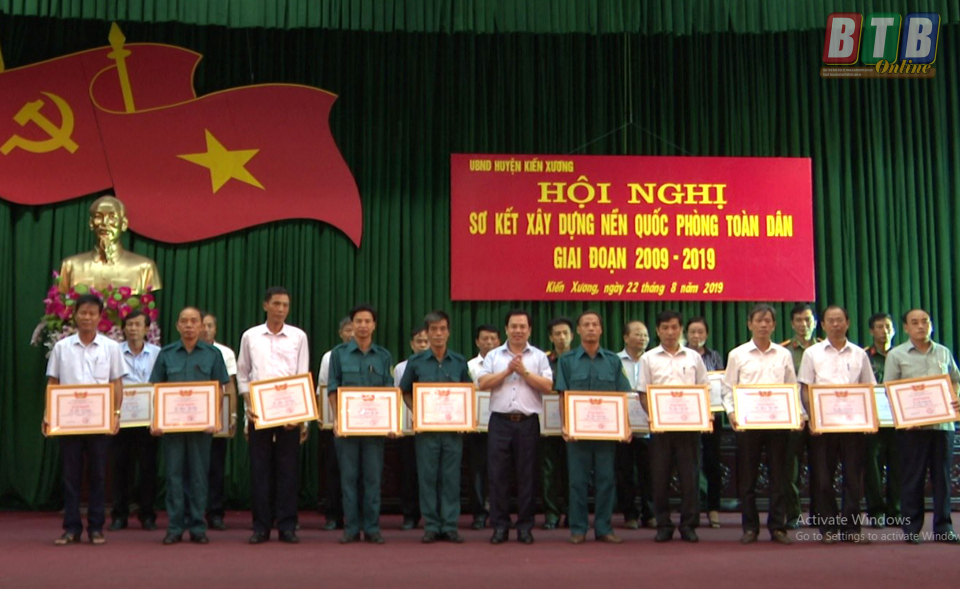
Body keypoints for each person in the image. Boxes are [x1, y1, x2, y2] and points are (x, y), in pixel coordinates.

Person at [44, 294, 125, 545]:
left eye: (92, 313)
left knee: (98, 475)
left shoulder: (111, 348)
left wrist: (116, 415)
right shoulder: (62, 347)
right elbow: (53, 382)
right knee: (70, 476)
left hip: (99, 422)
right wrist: (48, 414)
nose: (87, 317)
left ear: (100, 317)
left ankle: (96, 528)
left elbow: (116, 383)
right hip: (68, 423)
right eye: (83, 313)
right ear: (75, 315)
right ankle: (71, 528)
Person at [151, 306, 230, 545]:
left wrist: (215, 418)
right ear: (177, 326)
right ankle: (174, 527)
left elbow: (219, 390)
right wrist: (156, 420)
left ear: (200, 325)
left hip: (201, 428)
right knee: (174, 476)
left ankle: (197, 526)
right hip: (172, 428)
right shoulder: (166, 354)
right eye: (184, 321)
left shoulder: (213, 354)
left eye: (194, 321)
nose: (189, 325)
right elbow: (156, 389)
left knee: (198, 477)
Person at [237, 287, 310, 544]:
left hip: (290, 414)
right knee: (260, 471)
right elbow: (243, 374)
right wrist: (249, 406)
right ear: (265, 305)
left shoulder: (298, 337)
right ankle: (261, 527)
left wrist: (301, 417)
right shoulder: (250, 336)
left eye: (285, 305)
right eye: (276, 304)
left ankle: (287, 526)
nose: (281, 309)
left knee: (288, 471)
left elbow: (302, 375)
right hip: (259, 414)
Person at [797, 305, 875, 544]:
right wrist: (812, 418)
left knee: (853, 478)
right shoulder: (812, 354)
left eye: (840, 320)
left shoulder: (859, 354)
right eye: (830, 320)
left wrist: (869, 419)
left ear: (848, 323)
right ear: (822, 325)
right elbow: (805, 389)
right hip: (822, 426)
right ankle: (828, 528)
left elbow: (868, 388)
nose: (835, 324)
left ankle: (851, 529)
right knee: (823, 479)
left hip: (853, 427)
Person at [722, 303, 798, 545]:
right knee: (747, 479)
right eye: (758, 321)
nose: (763, 325)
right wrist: (732, 413)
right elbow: (727, 390)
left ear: (774, 325)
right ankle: (750, 528)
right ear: (749, 324)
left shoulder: (783, 354)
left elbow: (792, 388)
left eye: (768, 321)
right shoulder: (737, 354)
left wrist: (796, 414)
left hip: (778, 425)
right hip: (748, 425)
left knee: (779, 478)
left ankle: (778, 527)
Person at [555, 310, 632, 544]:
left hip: (607, 433)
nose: (590, 328)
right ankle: (578, 529)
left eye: (594, 324)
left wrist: (626, 426)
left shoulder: (613, 360)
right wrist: (565, 425)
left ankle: (604, 528)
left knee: (606, 481)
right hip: (577, 433)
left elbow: (622, 396)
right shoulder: (566, 361)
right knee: (577, 482)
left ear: (601, 329)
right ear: (578, 330)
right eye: (586, 324)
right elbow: (562, 396)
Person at [884, 309, 960, 544]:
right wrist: (903, 416)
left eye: (925, 322)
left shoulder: (943, 352)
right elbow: (889, 389)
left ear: (931, 325)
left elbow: (955, 380)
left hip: (942, 426)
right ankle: (911, 528)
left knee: (942, 479)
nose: (921, 326)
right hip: (912, 429)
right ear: (906, 328)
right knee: (912, 479)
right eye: (915, 322)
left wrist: (956, 398)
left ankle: (944, 527)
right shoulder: (896, 355)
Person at [477, 310, 552, 544]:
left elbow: (547, 386)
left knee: (527, 476)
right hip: (500, 422)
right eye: (513, 326)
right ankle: (499, 526)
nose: (518, 330)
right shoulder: (494, 356)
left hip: (527, 423)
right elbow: (483, 383)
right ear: (506, 329)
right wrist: (508, 371)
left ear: (529, 330)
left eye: (522, 326)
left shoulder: (538, 356)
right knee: (497, 476)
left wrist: (524, 372)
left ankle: (525, 527)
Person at [398, 311, 473, 544]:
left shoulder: (459, 362)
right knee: (428, 478)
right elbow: (405, 391)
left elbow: (468, 392)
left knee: (451, 478)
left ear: (448, 332)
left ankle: (449, 525)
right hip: (426, 432)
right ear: (427, 333)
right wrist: (417, 412)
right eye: (433, 330)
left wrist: (465, 418)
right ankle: (431, 525)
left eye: (442, 329)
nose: (438, 334)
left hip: (452, 432)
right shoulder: (416, 362)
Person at [638, 311, 709, 543]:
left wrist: (703, 416)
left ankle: (689, 525)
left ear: (681, 330)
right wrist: (655, 417)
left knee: (690, 479)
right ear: (657, 331)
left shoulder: (693, 357)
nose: (670, 332)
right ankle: (663, 525)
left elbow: (704, 390)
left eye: (674, 327)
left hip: (689, 429)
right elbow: (643, 393)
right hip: (661, 430)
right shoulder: (648, 358)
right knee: (660, 479)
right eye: (665, 328)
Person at [328, 304, 394, 544]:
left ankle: (372, 528)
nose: (363, 326)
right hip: (348, 429)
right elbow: (333, 389)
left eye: (367, 321)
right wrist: (337, 419)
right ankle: (351, 528)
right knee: (349, 480)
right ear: (352, 325)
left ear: (374, 325)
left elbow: (389, 392)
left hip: (375, 430)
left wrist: (391, 422)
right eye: (358, 321)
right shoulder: (338, 354)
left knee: (372, 480)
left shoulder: (383, 356)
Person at [110, 309, 161, 531]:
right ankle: (119, 515)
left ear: (147, 328)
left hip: (148, 419)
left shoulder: (158, 353)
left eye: (138, 325)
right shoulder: (114, 352)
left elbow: (162, 384)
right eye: (129, 325)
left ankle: (147, 514)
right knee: (120, 467)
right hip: (121, 418)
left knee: (148, 468)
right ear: (123, 328)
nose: (133, 329)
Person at [58, 195, 161, 294]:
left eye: (112, 217)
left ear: (124, 224)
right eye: (98, 217)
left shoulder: (144, 267)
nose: (105, 223)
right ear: (91, 223)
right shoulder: (70, 266)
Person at [780, 303, 820, 529]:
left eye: (807, 320)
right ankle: (793, 514)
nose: (803, 325)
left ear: (815, 322)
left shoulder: (824, 349)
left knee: (821, 469)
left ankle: (819, 514)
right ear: (792, 324)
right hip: (793, 417)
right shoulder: (783, 351)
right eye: (798, 320)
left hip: (820, 418)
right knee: (790, 471)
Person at [616, 320, 656, 530]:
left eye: (645, 335)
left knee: (649, 472)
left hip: (649, 424)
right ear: (625, 337)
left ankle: (650, 513)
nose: (642, 338)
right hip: (623, 425)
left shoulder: (653, 360)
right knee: (624, 473)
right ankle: (629, 514)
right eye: (638, 334)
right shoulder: (614, 361)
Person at [686, 316, 725, 529]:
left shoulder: (714, 356)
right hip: (687, 417)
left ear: (707, 334)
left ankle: (713, 509)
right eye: (692, 332)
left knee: (712, 462)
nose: (696, 336)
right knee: (688, 463)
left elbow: (720, 384)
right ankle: (691, 509)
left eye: (700, 332)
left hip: (711, 416)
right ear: (686, 334)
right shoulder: (681, 356)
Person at [201, 312, 238, 531]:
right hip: (192, 418)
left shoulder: (225, 353)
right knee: (192, 469)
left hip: (218, 415)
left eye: (210, 326)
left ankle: (215, 513)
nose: (205, 329)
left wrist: (231, 416)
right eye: (203, 325)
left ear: (215, 329)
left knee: (216, 467)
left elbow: (230, 386)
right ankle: (191, 512)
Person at [863, 312, 900, 528]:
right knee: (872, 467)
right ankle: (876, 511)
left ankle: (896, 510)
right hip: (873, 420)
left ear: (894, 330)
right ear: (871, 331)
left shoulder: (902, 355)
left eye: (888, 327)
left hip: (899, 420)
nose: (884, 331)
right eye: (879, 327)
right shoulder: (863, 356)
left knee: (898, 466)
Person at [316, 317, 353, 530]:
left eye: (355, 329)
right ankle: (333, 515)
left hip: (363, 424)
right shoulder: (330, 357)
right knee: (333, 471)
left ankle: (358, 517)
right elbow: (323, 388)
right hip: (334, 423)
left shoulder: (375, 356)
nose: (352, 334)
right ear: (340, 333)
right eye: (348, 330)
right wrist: (324, 417)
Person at [393, 326, 430, 530]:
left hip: (433, 429)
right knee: (409, 474)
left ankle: (434, 517)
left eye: (426, 341)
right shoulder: (401, 368)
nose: (423, 345)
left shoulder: (439, 364)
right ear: (411, 344)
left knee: (432, 475)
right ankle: (410, 515)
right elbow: (396, 397)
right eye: (419, 341)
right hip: (408, 429)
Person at [465, 324, 500, 530]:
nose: (489, 343)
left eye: (493, 339)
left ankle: (498, 512)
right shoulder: (469, 367)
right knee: (477, 471)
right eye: (485, 339)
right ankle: (479, 514)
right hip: (476, 427)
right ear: (477, 342)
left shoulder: (507, 365)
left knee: (501, 471)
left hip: (501, 424)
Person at [540, 317, 573, 530]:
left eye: (565, 333)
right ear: (551, 337)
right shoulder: (543, 361)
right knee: (548, 472)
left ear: (572, 335)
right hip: (548, 425)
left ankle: (572, 513)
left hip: (574, 425)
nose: (562, 337)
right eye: (557, 334)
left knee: (573, 472)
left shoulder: (578, 360)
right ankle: (551, 514)